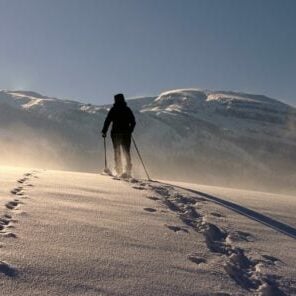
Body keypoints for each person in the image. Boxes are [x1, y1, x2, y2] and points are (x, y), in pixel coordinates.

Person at [101, 93, 136, 178]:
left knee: (117, 152)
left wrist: (104, 131)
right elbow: (133, 122)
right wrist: (130, 130)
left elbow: (107, 121)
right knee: (126, 151)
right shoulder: (127, 109)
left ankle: (119, 171)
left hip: (115, 134)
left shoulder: (113, 110)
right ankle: (128, 171)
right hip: (126, 134)